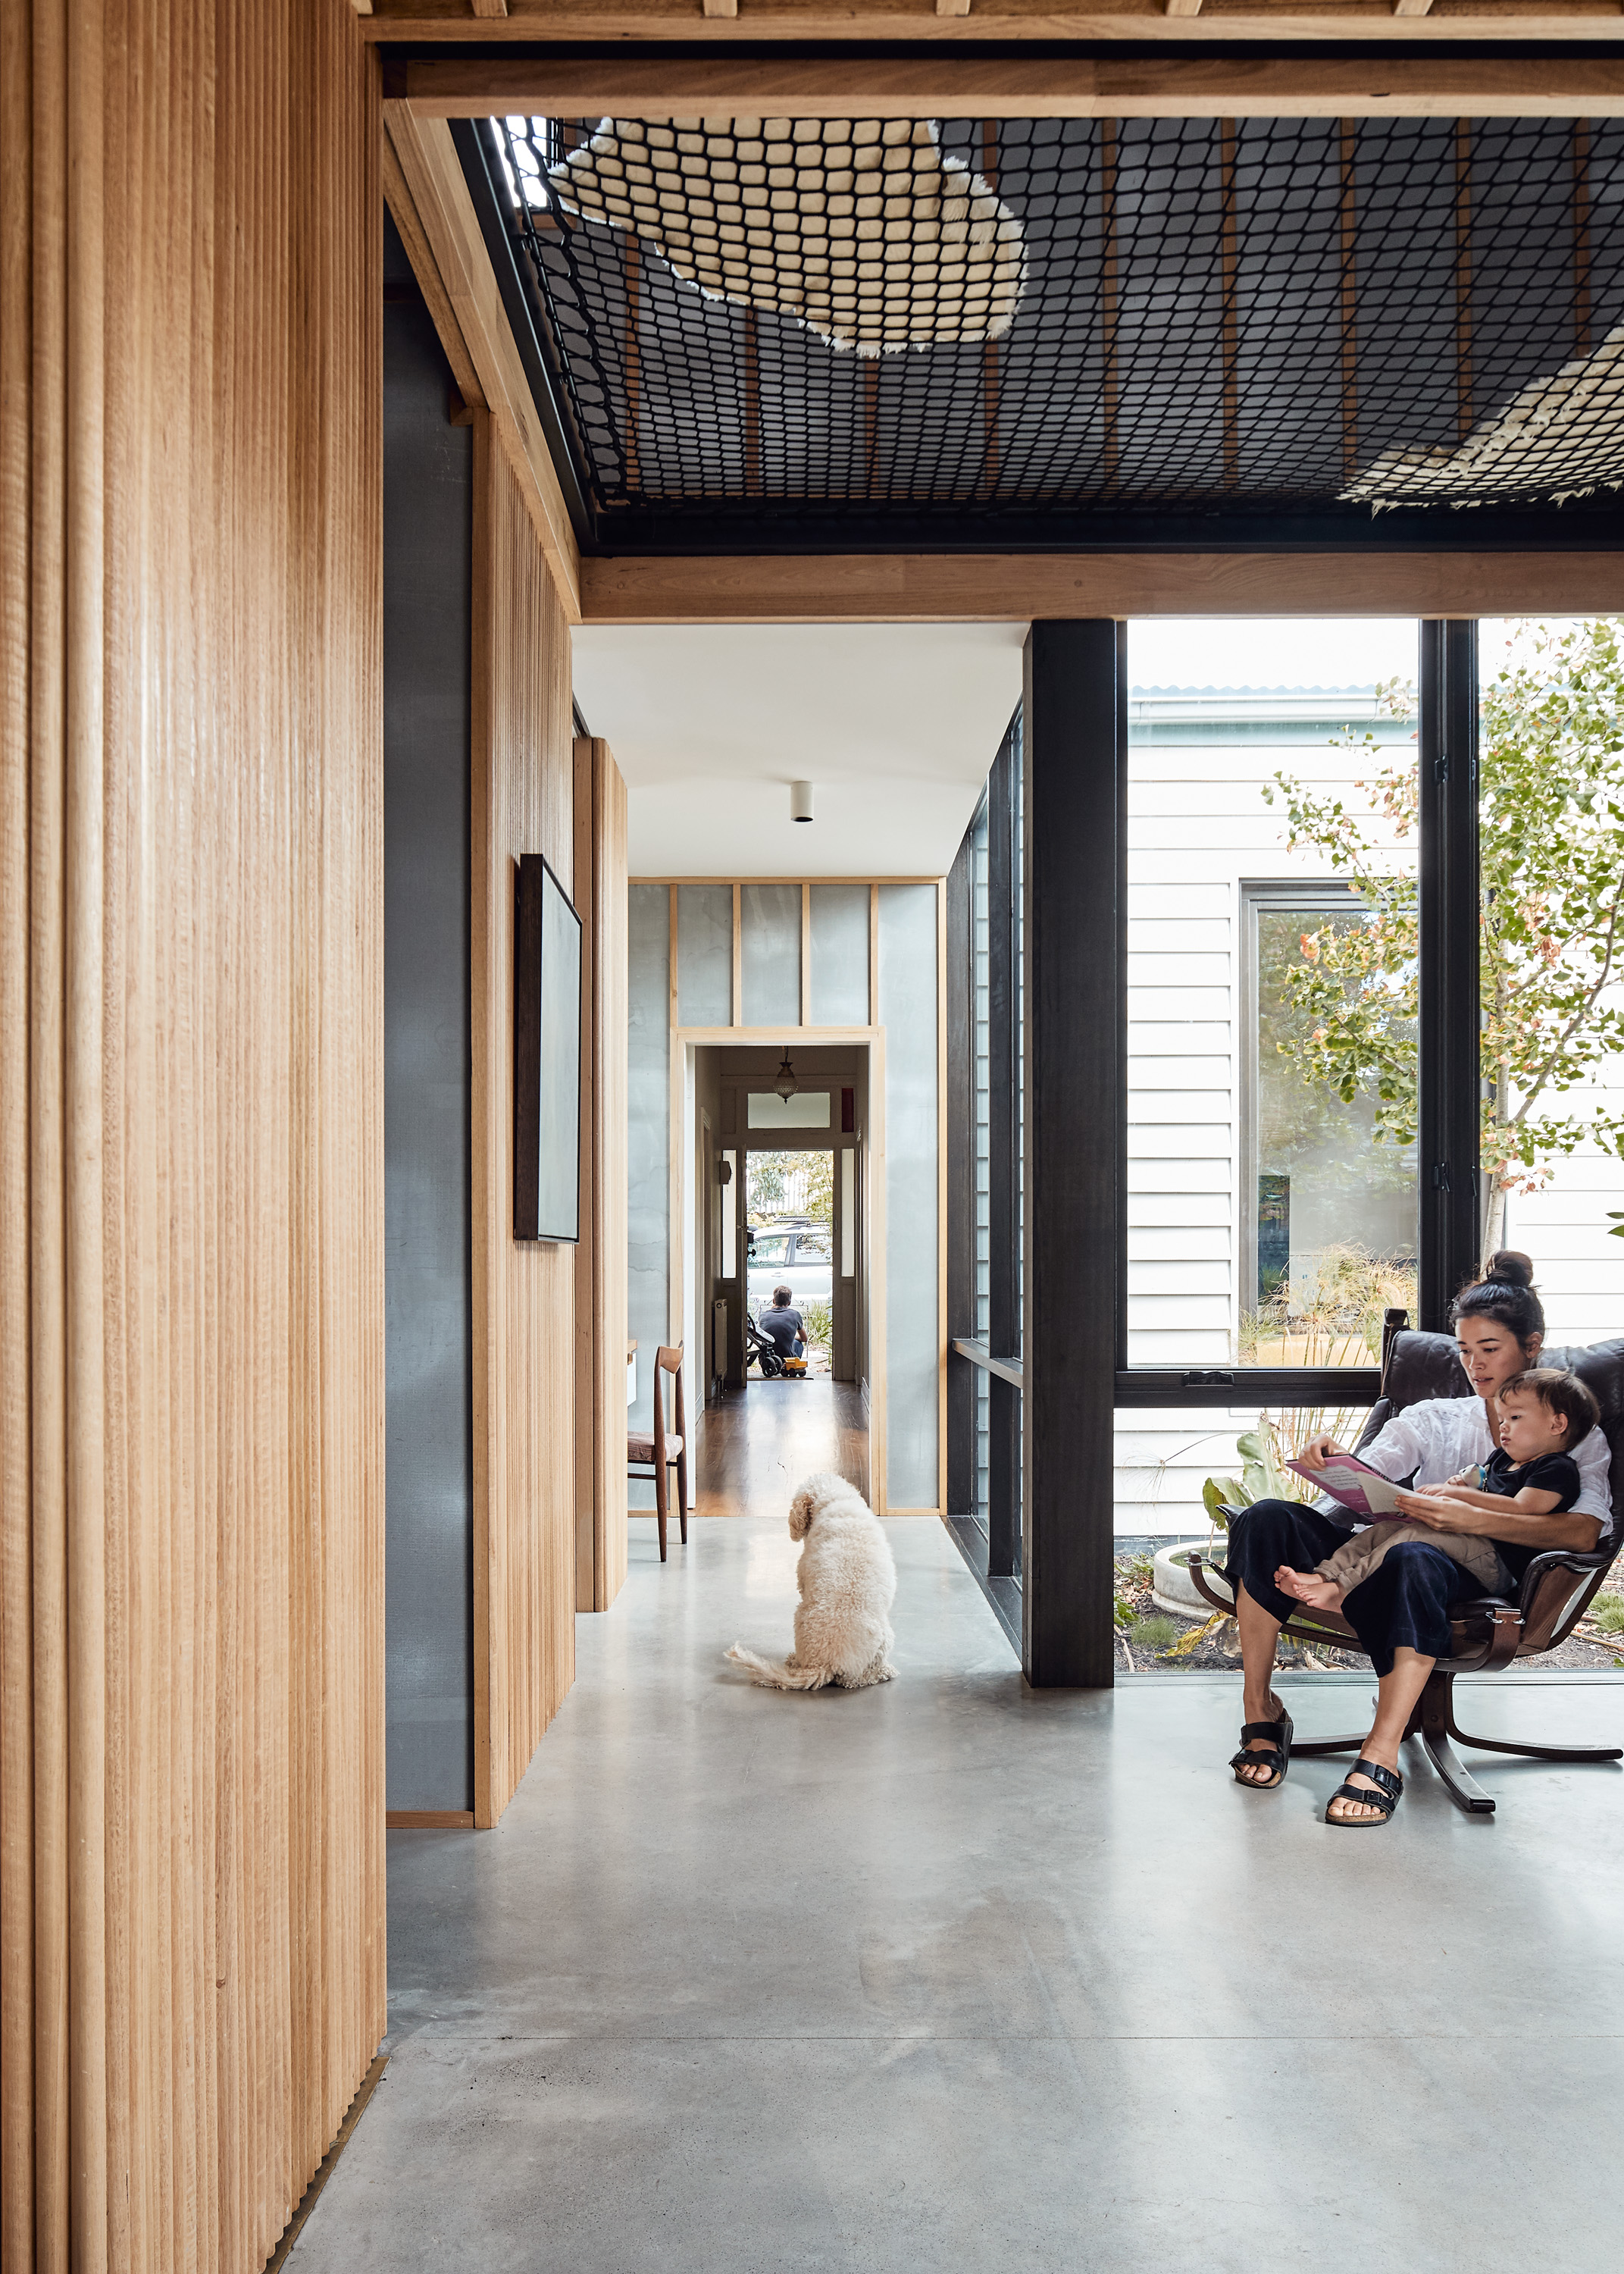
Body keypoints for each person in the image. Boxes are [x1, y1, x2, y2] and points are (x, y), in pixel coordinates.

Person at [1222, 1252, 1610, 1828]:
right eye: (1464, 1350)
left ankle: (1380, 1754)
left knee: (1413, 1555)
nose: (1474, 1365)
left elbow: (1582, 1530)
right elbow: (1367, 1479)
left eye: (1489, 1349)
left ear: (1532, 1346)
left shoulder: (1571, 1434)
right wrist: (1335, 1460)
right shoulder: (1434, 1416)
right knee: (1265, 1519)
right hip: (1386, 1552)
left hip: (1472, 1577)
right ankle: (1261, 1710)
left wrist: (1463, 1518)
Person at [1275, 1365, 1599, 1618]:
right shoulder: (1503, 1458)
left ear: (1557, 1425)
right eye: (1502, 1418)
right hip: (1472, 1545)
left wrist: (1458, 1496)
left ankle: (1343, 1591)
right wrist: (1459, 1486)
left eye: (1515, 1417)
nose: (1503, 1426)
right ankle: (1325, 1575)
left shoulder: (1556, 1468)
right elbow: (1480, 1483)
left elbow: (1525, 1508)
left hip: (1499, 1563)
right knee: (1387, 1529)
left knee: (1416, 1537)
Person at [757, 1285, 806, 1362]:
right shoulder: (795, 1315)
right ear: (789, 1303)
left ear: (774, 1301)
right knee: (798, 1344)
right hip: (787, 1360)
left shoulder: (763, 1316)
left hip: (766, 1361)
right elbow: (804, 1338)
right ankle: (793, 1365)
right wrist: (790, 1336)